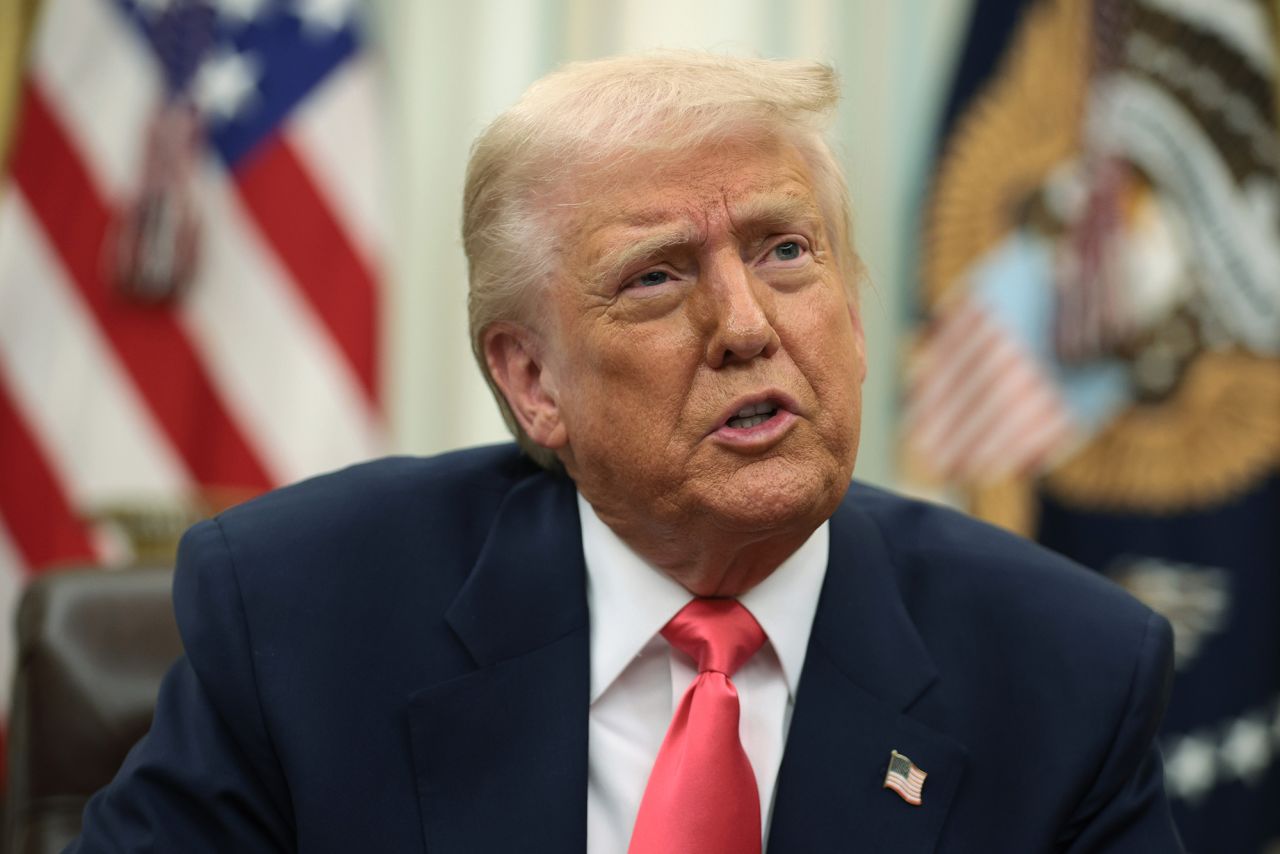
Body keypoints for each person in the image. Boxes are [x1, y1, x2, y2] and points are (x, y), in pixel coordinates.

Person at [69, 52, 1184, 853]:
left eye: (786, 251)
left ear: (850, 307)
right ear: (531, 380)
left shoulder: (1064, 672)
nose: (747, 323)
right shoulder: (303, 613)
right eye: (656, 275)